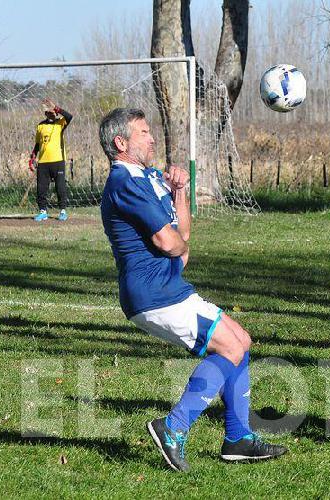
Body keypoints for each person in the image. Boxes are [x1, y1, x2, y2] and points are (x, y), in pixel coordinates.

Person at [97, 108, 287, 472]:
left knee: (240, 340)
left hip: (168, 286)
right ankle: (173, 428)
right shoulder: (125, 183)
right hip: (153, 294)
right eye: (144, 132)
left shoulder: (148, 178)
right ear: (121, 142)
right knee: (229, 346)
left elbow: (182, 234)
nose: (152, 138)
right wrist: (179, 249)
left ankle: (238, 438)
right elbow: (169, 243)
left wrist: (181, 192)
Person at [31, 98, 73, 221]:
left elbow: (70, 116)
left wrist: (57, 108)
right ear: (45, 114)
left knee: (60, 187)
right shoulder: (41, 125)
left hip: (58, 161)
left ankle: (63, 211)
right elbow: (38, 144)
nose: (51, 114)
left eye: (53, 112)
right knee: (41, 188)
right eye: (48, 113)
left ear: (56, 113)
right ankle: (43, 211)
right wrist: (32, 157)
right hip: (43, 162)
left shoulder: (60, 123)